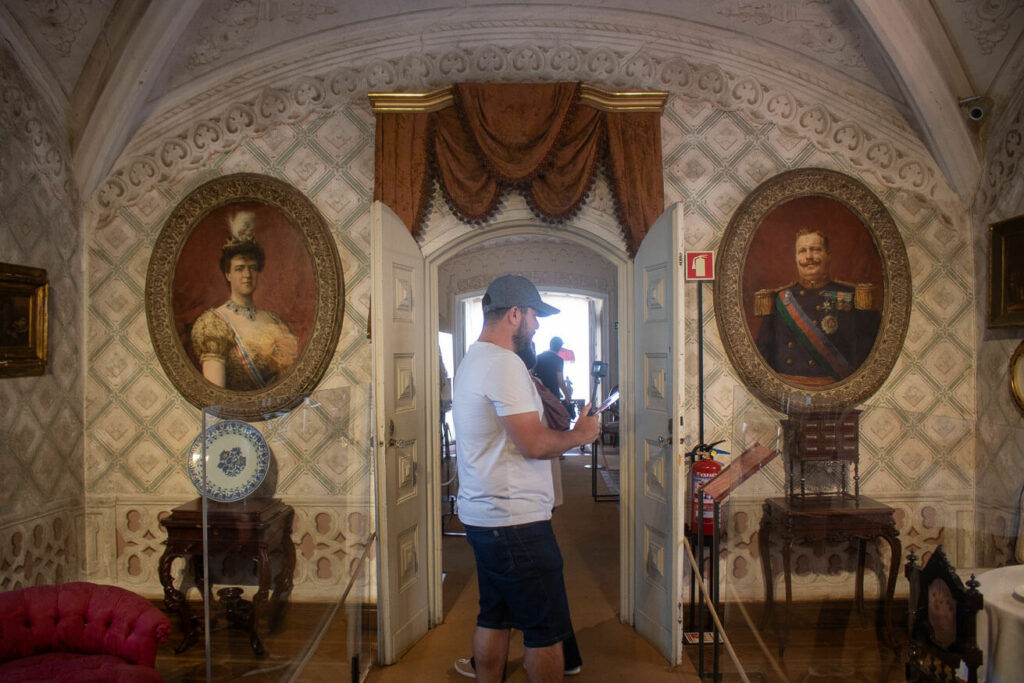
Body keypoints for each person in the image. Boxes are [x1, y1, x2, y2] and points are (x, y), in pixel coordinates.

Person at [452, 274, 600, 682]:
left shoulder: (473, 359)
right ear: (515, 313)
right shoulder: (504, 365)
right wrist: (580, 435)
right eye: (534, 315)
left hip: (486, 516)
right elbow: (534, 444)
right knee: (544, 631)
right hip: (516, 522)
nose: (537, 325)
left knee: (494, 616)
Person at [754, 228, 880, 386]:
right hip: (788, 390)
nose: (808, 257)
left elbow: (868, 357)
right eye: (802, 251)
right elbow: (764, 359)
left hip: (835, 391)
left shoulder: (855, 298)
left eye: (815, 250)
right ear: (795, 257)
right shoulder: (780, 299)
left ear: (828, 255)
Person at [190, 211, 299, 390]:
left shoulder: (274, 320)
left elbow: (288, 384)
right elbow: (216, 399)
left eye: (252, 268)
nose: (247, 275)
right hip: (235, 416)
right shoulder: (213, 323)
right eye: (239, 268)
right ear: (228, 274)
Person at [534, 337, 572, 401]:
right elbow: (560, 381)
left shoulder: (538, 357)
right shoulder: (559, 360)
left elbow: (532, 374)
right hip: (553, 394)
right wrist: (567, 396)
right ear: (560, 347)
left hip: (539, 394)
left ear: (550, 345)